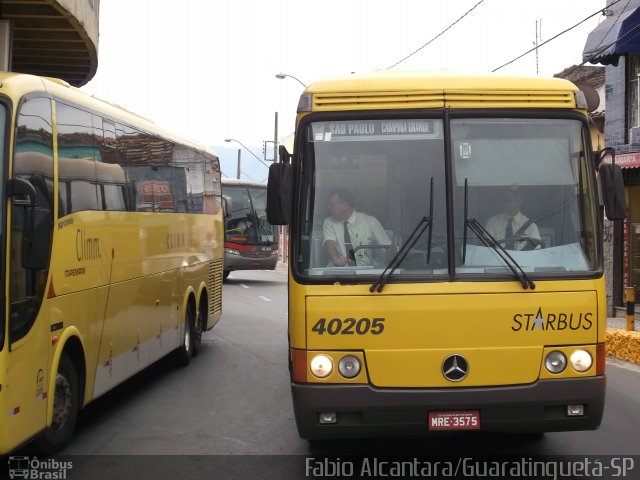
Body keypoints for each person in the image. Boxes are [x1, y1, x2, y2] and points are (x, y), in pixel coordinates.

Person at [323, 188, 391, 267]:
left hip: (363, 270)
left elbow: (388, 247)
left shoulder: (370, 222)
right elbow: (330, 243)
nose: (329, 207)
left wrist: (388, 265)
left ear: (345, 205)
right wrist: (335, 259)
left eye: (332, 205)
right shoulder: (328, 222)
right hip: (338, 270)